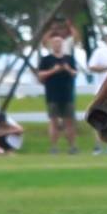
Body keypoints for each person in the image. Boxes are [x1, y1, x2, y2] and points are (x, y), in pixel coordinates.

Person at [32, 26, 82, 155]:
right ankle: (54, 147)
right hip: (52, 95)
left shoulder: (69, 58)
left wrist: (67, 69)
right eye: (54, 42)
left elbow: (75, 73)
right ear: (51, 44)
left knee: (69, 121)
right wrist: (53, 71)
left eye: (59, 42)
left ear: (63, 43)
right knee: (53, 121)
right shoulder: (46, 59)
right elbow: (40, 75)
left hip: (67, 94)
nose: (57, 44)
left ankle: (72, 146)